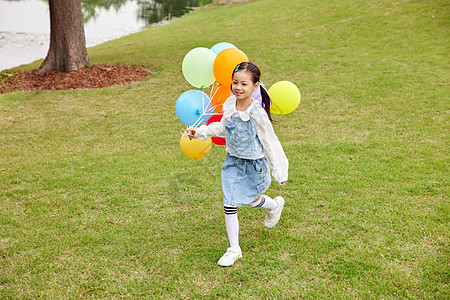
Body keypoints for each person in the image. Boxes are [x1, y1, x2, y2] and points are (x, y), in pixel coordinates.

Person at [187, 62, 288, 267]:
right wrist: (200, 132)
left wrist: (279, 171)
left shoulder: (256, 114)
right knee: (229, 203)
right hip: (232, 162)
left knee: (251, 201)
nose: (238, 87)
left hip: (253, 165)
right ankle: (234, 249)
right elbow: (223, 127)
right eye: (235, 83)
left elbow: (270, 141)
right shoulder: (229, 105)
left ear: (255, 86)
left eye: (244, 83)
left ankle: (275, 205)